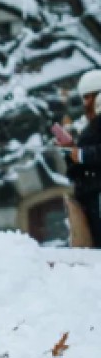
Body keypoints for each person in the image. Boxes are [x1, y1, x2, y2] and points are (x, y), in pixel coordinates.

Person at [64, 70, 101, 247]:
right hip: (89, 194)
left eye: (88, 97)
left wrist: (82, 154)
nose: (85, 104)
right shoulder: (91, 124)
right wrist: (71, 149)